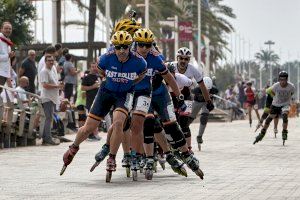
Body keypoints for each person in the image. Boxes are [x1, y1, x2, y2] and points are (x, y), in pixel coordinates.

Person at [60, 31, 147, 180]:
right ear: (114, 46)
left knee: (118, 123)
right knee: (89, 127)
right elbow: (101, 72)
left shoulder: (139, 62)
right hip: (106, 92)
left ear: (130, 47)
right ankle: (74, 147)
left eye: (125, 47)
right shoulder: (105, 58)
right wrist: (114, 80)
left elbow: (142, 75)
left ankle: (112, 157)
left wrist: (129, 83)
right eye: (118, 47)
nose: (121, 51)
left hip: (124, 95)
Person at [171, 47, 214, 152]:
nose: (183, 61)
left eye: (186, 59)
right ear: (177, 58)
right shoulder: (171, 66)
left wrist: (208, 101)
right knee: (172, 122)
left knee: (184, 124)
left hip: (186, 97)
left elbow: (202, 86)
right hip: (172, 96)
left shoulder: (193, 69)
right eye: (181, 58)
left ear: (189, 60)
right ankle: (172, 146)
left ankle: (189, 149)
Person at [253, 71, 295, 145]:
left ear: (287, 79)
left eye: (284, 79)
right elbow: (266, 92)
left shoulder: (291, 86)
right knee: (268, 119)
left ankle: (284, 132)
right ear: (279, 79)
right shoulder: (275, 86)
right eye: (281, 79)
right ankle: (262, 134)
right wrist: (260, 95)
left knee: (285, 116)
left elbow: (291, 93)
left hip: (285, 104)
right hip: (275, 104)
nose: (282, 81)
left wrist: (285, 99)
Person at [189, 77, 219, 151]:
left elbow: (216, 92)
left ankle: (199, 136)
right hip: (197, 102)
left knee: (204, 117)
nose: (207, 91)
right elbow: (191, 92)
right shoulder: (196, 89)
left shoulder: (214, 89)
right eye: (206, 90)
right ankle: (184, 129)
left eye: (209, 90)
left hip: (206, 102)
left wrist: (211, 96)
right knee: (190, 118)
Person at [39, 55, 64, 145]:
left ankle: (47, 137)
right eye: (49, 60)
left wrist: (59, 84)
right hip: (47, 98)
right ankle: (47, 139)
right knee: (48, 118)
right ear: (45, 61)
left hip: (53, 97)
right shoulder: (44, 71)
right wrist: (57, 86)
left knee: (50, 118)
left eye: (52, 60)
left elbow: (54, 80)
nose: (51, 62)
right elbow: (44, 85)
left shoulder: (53, 68)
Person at [81, 62, 103, 141]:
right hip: (90, 101)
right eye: (92, 66)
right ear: (90, 67)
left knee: (96, 118)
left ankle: (95, 134)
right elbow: (82, 88)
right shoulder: (86, 77)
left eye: (95, 66)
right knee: (90, 118)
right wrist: (93, 87)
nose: (94, 68)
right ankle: (89, 135)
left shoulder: (98, 77)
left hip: (98, 100)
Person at [0, 21, 14, 93]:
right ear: (1, 29)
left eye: (10, 29)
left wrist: (9, 72)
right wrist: (8, 55)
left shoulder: (7, 41)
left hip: (4, 72)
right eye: (6, 28)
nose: (8, 30)